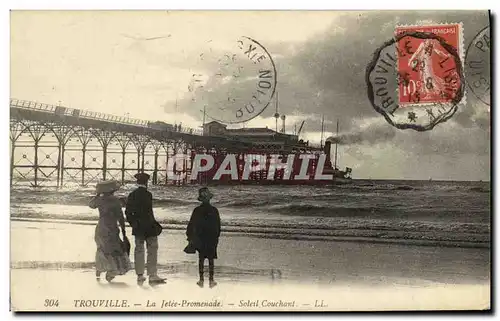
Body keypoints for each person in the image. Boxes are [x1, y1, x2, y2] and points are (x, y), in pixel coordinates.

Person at [125, 172, 166, 285]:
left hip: (138, 226)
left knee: (139, 249)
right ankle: (152, 274)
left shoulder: (132, 195)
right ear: (147, 182)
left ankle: (140, 275)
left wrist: (133, 223)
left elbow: (128, 212)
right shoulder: (148, 194)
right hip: (149, 226)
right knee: (152, 249)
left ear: (137, 182)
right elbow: (149, 213)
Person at [89, 180, 131, 282]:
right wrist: (124, 231)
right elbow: (120, 217)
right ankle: (111, 272)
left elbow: (91, 205)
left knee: (101, 248)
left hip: (101, 227)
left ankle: (99, 270)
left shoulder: (100, 200)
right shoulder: (115, 201)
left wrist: (98, 194)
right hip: (112, 228)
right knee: (114, 249)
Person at [186, 187, 221, 288]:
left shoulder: (197, 210)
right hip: (211, 238)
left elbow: (191, 224)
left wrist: (190, 236)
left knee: (201, 258)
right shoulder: (214, 210)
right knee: (211, 259)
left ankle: (201, 279)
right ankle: (211, 280)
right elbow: (218, 226)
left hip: (200, 237)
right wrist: (216, 237)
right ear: (209, 199)